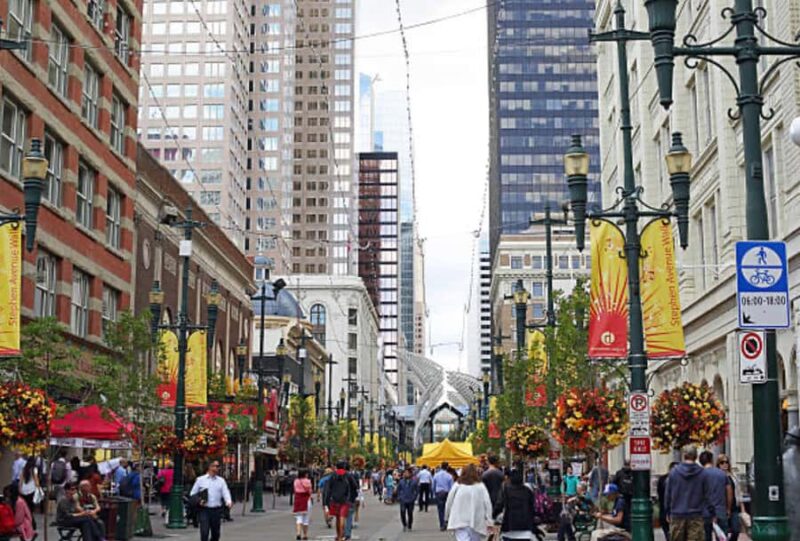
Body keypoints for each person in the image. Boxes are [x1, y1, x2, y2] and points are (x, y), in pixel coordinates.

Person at [665, 446, 708, 541]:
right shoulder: (702, 473)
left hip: (677, 514)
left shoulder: (674, 473)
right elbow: (707, 494)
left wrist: (667, 511)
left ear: (684, 455)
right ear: (696, 456)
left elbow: (668, 494)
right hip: (696, 514)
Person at [445, 464, 494, 541]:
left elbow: (449, 501)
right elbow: (487, 504)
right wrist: (489, 521)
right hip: (476, 521)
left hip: (459, 520)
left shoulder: (457, 485)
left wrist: (447, 517)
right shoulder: (480, 486)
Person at [189, 461, 233, 541]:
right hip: (204, 510)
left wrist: (228, 501)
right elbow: (192, 493)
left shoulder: (221, 481)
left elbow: (225, 492)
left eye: (217, 466)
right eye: (214, 466)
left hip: (216, 510)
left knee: (216, 533)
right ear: (209, 467)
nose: (216, 468)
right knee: (204, 532)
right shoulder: (200, 480)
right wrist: (199, 501)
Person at [493, 468, 540, 541]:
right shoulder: (528, 491)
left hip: (509, 527)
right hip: (526, 528)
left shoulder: (505, 490)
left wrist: (494, 516)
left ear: (510, 479)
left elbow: (499, 505)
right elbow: (533, 508)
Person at [322, 462, 357, 541]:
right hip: (345, 499)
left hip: (334, 499)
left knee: (337, 518)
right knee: (342, 517)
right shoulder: (348, 475)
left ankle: (338, 535)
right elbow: (355, 486)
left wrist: (326, 501)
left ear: (336, 467)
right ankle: (341, 536)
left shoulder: (332, 475)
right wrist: (352, 497)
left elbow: (328, 488)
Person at [699, 451, 728, 541]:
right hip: (720, 510)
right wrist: (728, 508)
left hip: (704, 512)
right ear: (712, 460)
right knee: (721, 536)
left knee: (706, 537)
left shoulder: (698, 475)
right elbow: (729, 492)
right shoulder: (722, 474)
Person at [717, 455, 745, 541]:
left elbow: (738, 492)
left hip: (734, 507)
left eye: (726, 462)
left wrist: (742, 508)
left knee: (736, 529)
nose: (725, 465)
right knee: (722, 533)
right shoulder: (717, 476)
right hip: (722, 507)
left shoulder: (733, 476)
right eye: (722, 462)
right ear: (718, 464)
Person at [658, 463, 679, 541]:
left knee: (668, 534)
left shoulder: (662, 479)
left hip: (666, 511)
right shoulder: (680, 480)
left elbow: (660, 494)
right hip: (674, 512)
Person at [18, 458, 40, 528]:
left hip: (23, 491)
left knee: (25, 508)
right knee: (30, 508)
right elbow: (36, 480)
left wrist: (20, 489)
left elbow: (21, 480)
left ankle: (28, 522)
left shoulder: (23, 469)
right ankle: (32, 523)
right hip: (31, 490)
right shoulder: (34, 469)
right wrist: (38, 488)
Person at [293, 469, 313, 540]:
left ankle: (298, 533)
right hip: (306, 500)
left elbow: (295, 490)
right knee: (306, 519)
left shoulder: (296, 481)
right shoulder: (308, 481)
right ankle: (305, 535)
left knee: (299, 518)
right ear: (305, 474)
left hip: (298, 500)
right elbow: (310, 491)